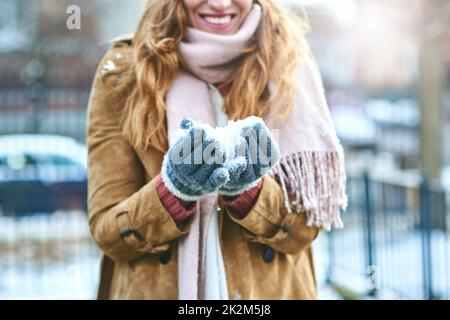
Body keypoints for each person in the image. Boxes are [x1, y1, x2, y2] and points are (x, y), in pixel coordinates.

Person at [87, 0, 347, 300]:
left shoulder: (288, 64)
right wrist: (172, 191)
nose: (221, 4)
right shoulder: (123, 70)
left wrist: (250, 194)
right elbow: (108, 233)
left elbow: (304, 230)